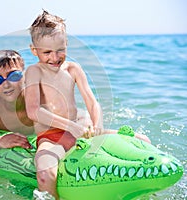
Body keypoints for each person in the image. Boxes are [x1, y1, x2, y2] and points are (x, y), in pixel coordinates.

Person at [24, 10, 150, 199]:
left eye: (60, 50)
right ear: (34, 51)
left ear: (66, 44)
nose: (55, 57)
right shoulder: (34, 72)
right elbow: (34, 111)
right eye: (47, 52)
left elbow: (92, 102)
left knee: (142, 140)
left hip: (82, 132)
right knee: (44, 175)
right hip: (52, 137)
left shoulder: (73, 69)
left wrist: (97, 125)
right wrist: (70, 126)